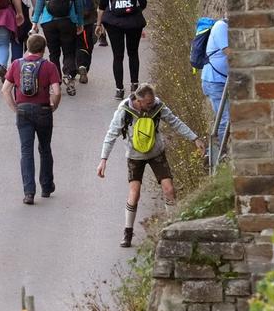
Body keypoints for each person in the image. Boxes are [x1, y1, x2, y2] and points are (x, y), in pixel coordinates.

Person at [97, 84, 206, 247]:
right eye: (148, 103)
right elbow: (111, 134)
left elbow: (175, 122)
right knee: (134, 194)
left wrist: (194, 138)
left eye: (153, 101)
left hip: (156, 153)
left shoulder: (157, 105)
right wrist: (103, 159)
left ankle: (172, 228)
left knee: (169, 189)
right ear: (138, 101)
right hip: (135, 156)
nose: (152, 105)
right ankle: (127, 232)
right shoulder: (124, 110)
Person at [2, 33, 62, 205]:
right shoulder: (49, 66)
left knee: (26, 151)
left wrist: (15, 108)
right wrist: (54, 106)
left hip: (23, 111)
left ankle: (29, 192)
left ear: (27, 47)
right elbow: (57, 91)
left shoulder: (16, 64)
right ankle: (47, 186)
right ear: (44, 50)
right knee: (45, 148)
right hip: (43, 111)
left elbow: (5, 90)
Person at [31, 0, 84, 95]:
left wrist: (35, 21)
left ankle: (56, 82)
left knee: (54, 53)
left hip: (49, 22)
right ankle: (70, 77)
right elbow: (79, 3)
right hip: (68, 20)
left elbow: (39, 3)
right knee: (69, 51)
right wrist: (80, 22)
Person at [98, 0, 148, 100]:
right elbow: (143, 2)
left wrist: (99, 23)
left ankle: (119, 89)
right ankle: (134, 85)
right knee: (133, 53)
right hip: (134, 22)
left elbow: (102, 4)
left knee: (117, 56)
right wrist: (134, 10)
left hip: (113, 23)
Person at [64, 0, 104, 85]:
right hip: (87, 17)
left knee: (69, 45)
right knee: (85, 43)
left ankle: (69, 72)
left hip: (67, 19)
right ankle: (83, 66)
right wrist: (94, 4)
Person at [201, 16, 231, 159]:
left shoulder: (226, 28)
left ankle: (215, 153)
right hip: (214, 81)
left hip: (220, 80)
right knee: (225, 117)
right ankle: (217, 154)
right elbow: (228, 52)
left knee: (223, 116)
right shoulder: (221, 27)